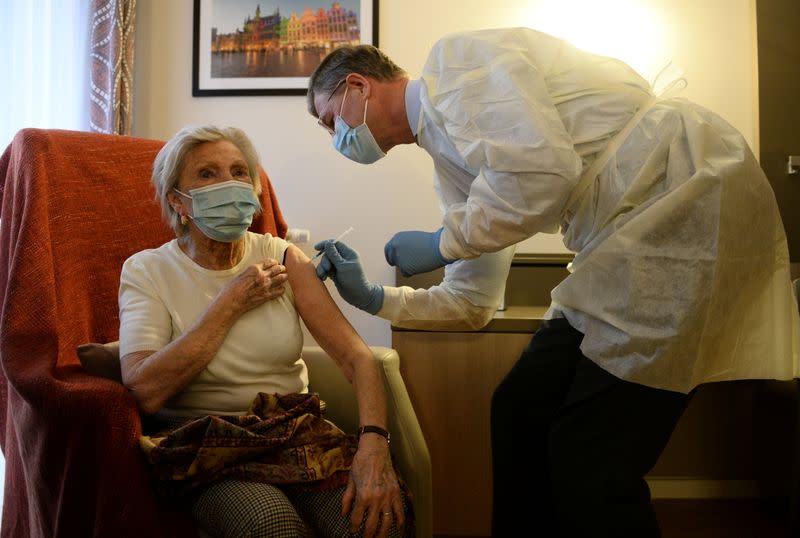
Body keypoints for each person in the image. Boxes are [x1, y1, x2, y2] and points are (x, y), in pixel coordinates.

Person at [307, 27, 800, 536]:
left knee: (590, 455)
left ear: (359, 87)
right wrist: (374, 298)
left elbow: (541, 176)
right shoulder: (452, 166)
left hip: (680, 202)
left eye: (330, 121)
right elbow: (472, 300)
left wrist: (440, 243)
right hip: (623, 239)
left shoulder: (455, 65)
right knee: (519, 408)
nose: (336, 139)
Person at [118, 125, 411, 538]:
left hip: (294, 435)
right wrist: (230, 303)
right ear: (177, 201)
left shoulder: (283, 256)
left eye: (240, 171)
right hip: (211, 449)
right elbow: (145, 388)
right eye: (207, 174)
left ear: (254, 190)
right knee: (273, 526)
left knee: (377, 524)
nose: (230, 183)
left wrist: (374, 446)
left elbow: (357, 357)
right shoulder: (148, 270)